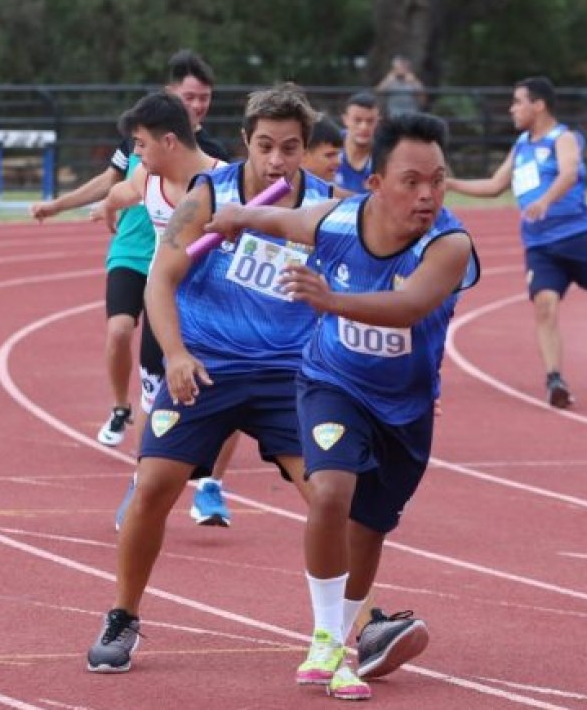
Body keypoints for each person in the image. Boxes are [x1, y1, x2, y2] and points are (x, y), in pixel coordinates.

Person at [205, 112, 477, 701]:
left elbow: (410, 306)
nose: (427, 194)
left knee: (370, 528)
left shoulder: (449, 244)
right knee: (330, 491)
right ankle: (328, 637)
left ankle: (346, 647)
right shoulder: (339, 217)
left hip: (404, 410)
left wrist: (331, 300)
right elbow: (287, 218)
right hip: (332, 383)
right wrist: (236, 216)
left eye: (437, 179)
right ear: (375, 182)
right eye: (411, 181)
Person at [86, 83, 345, 674]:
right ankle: (123, 615)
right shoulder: (208, 196)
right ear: (246, 144)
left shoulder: (327, 207)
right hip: (207, 367)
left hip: (287, 374)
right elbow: (160, 279)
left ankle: (361, 620)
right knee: (153, 485)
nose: (277, 160)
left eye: (290, 148)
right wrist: (174, 354)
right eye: (265, 146)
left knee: (329, 494)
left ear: (305, 150)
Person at [31, 51, 231, 466]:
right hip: (156, 280)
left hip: (206, 299)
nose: (197, 105)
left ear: (169, 142)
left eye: (204, 98)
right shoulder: (146, 166)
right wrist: (97, 206)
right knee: (148, 381)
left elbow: (265, 214)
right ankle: (144, 469)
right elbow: (118, 187)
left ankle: (211, 482)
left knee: (223, 391)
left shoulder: (220, 174)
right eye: (189, 97)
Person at [444, 75, 587, 409]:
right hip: (540, 246)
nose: (512, 109)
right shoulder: (521, 146)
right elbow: (496, 185)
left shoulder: (563, 138)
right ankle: (555, 378)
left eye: (517, 102)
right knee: (545, 306)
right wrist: (452, 184)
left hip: (578, 236)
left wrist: (545, 201)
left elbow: (568, 173)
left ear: (538, 105)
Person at [334, 91, 381, 193]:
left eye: (370, 121)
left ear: (378, 121)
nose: (364, 127)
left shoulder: (385, 153)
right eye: (357, 120)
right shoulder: (330, 145)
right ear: (345, 120)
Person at [306, 116, 345, 185]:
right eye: (329, 155)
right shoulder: (282, 190)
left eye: (338, 154)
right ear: (302, 155)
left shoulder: (320, 187)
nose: (338, 161)